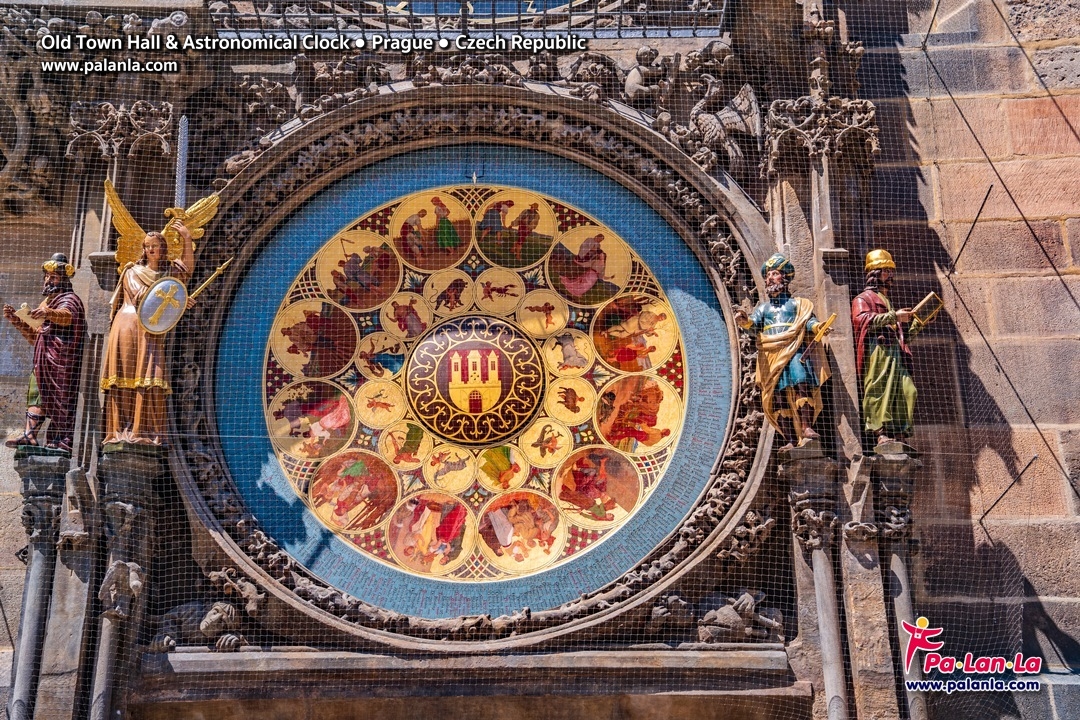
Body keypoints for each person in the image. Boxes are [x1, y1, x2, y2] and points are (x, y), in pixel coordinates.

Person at [100, 221, 194, 446]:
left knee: (152, 377)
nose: (150, 250)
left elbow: (187, 269)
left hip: (151, 331)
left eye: (155, 246)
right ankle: (121, 430)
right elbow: (145, 297)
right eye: (147, 246)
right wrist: (179, 301)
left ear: (164, 249)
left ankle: (146, 431)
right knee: (125, 377)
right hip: (128, 326)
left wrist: (187, 239)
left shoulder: (169, 272)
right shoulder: (132, 271)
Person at [733, 253, 831, 448]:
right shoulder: (764, 309)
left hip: (794, 349)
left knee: (801, 384)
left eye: (775, 274)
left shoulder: (797, 304)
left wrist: (817, 327)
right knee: (777, 396)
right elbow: (753, 327)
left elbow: (807, 321)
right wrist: (745, 321)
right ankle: (790, 439)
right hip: (771, 354)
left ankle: (806, 427)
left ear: (785, 278)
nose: (770, 278)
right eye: (768, 275)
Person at [3, 253, 86, 452]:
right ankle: (30, 435)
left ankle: (60, 440)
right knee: (36, 394)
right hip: (42, 361)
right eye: (47, 276)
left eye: (54, 277)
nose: (48, 280)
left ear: (64, 280)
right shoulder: (46, 303)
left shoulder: (70, 299)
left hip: (60, 364)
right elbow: (36, 338)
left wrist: (48, 313)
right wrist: (17, 321)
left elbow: (67, 317)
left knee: (60, 400)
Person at [851, 249, 917, 448]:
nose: (890, 275)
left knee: (907, 390)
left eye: (891, 270)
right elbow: (861, 320)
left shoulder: (888, 301)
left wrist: (919, 322)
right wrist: (893, 316)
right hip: (878, 352)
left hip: (895, 352)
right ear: (874, 273)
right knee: (879, 389)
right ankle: (880, 432)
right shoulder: (863, 298)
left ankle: (899, 431)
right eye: (885, 270)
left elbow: (901, 335)